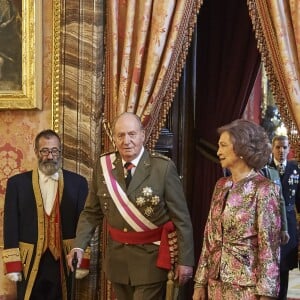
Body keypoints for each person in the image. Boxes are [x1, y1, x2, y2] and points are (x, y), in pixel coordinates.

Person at [67, 112, 194, 300]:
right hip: (118, 260)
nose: (126, 141)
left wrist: (186, 260)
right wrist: (78, 246)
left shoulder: (163, 168)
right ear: (114, 138)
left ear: (142, 135)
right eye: (121, 135)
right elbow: (91, 213)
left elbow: (181, 219)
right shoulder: (103, 166)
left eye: (132, 134)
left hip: (151, 261)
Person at [193, 119, 281, 300]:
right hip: (216, 283)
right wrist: (200, 282)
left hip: (247, 287)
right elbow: (209, 237)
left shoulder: (264, 189)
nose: (218, 152)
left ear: (241, 149)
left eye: (223, 146)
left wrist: (266, 294)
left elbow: (269, 247)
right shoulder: (221, 185)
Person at [2, 129, 89, 300]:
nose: (50, 156)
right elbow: (10, 225)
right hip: (29, 261)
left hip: (64, 259)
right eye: (45, 151)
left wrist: (83, 260)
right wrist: (13, 266)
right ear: (36, 152)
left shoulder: (78, 183)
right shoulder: (16, 184)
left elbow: (84, 223)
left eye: (54, 150)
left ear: (60, 152)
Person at [269, 135, 300, 299]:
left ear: (289, 149)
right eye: (278, 147)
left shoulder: (295, 170)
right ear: (272, 148)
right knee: (271, 264)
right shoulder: (265, 168)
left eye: (285, 147)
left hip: (289, 220)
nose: (281, 151)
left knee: (285, 266)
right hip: (270, 222)